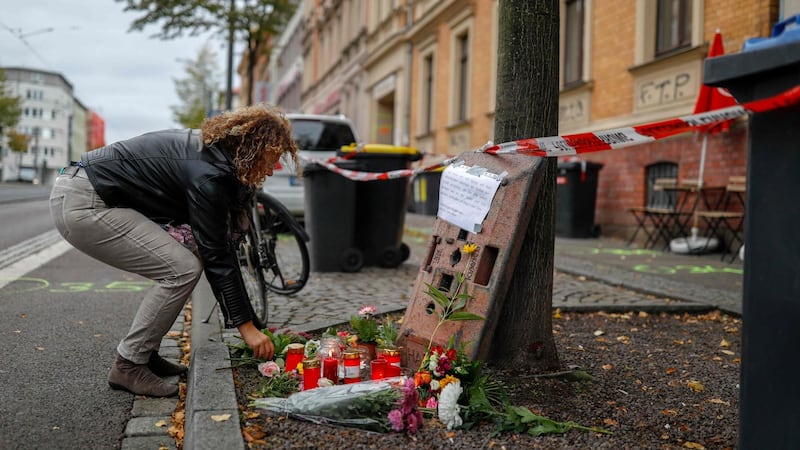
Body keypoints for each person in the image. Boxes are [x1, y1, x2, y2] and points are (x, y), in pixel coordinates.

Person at [49, 105, 299, 397]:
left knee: (185, 261)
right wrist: (247, 329)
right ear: (252, 148)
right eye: (272, 157)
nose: (272, 168)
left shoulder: (214, 154)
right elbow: (218, 255)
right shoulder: (210, 173)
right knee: (181, 268)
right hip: (85, 203)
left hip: (92, 193)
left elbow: (218, 249)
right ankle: (128, 365)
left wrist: (250, 324)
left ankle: (146, 352)